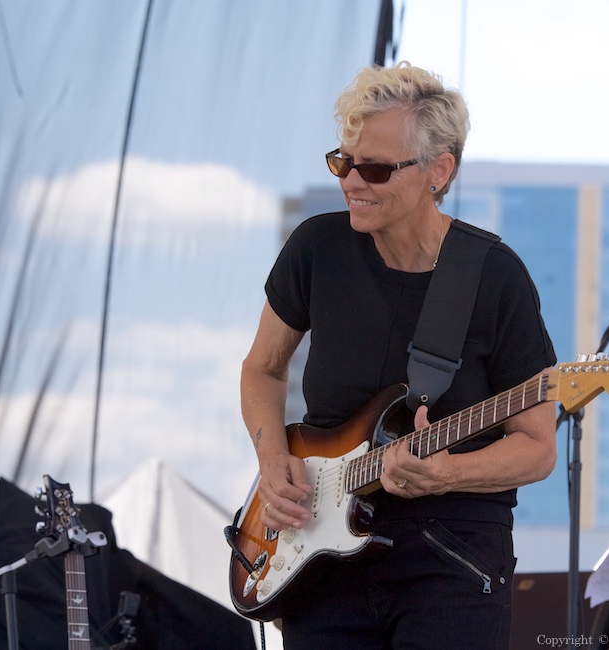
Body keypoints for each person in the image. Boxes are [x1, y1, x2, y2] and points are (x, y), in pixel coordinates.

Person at [240, 61, 557, 650]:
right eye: (343, 162)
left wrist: (448, 473)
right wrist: (271, 457)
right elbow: (261, 367)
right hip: (322, 556)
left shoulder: (494, 276)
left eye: (377, 169)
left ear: (439, 171)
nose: (353, 182)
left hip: (451, 555)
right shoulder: (316, 247)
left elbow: (538, 449)